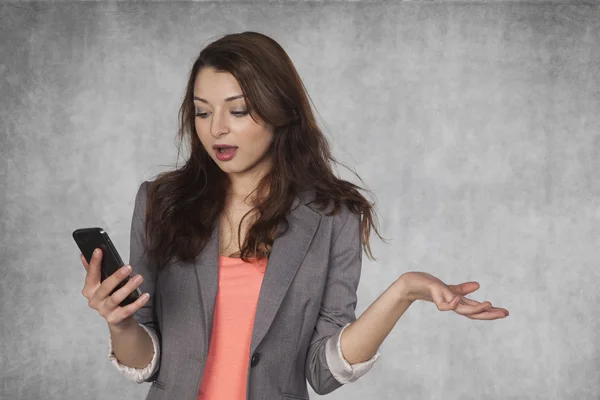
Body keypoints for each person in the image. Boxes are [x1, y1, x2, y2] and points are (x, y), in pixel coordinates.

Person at [80, 31, 509, 400]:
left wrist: (404, 292)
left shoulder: (334, 216)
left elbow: (323, 372)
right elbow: (149, 361)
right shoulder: (161, 202)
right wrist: (119, 324)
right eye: (203, 111)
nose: (216, 129)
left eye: (239, 110)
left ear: (279, 110)